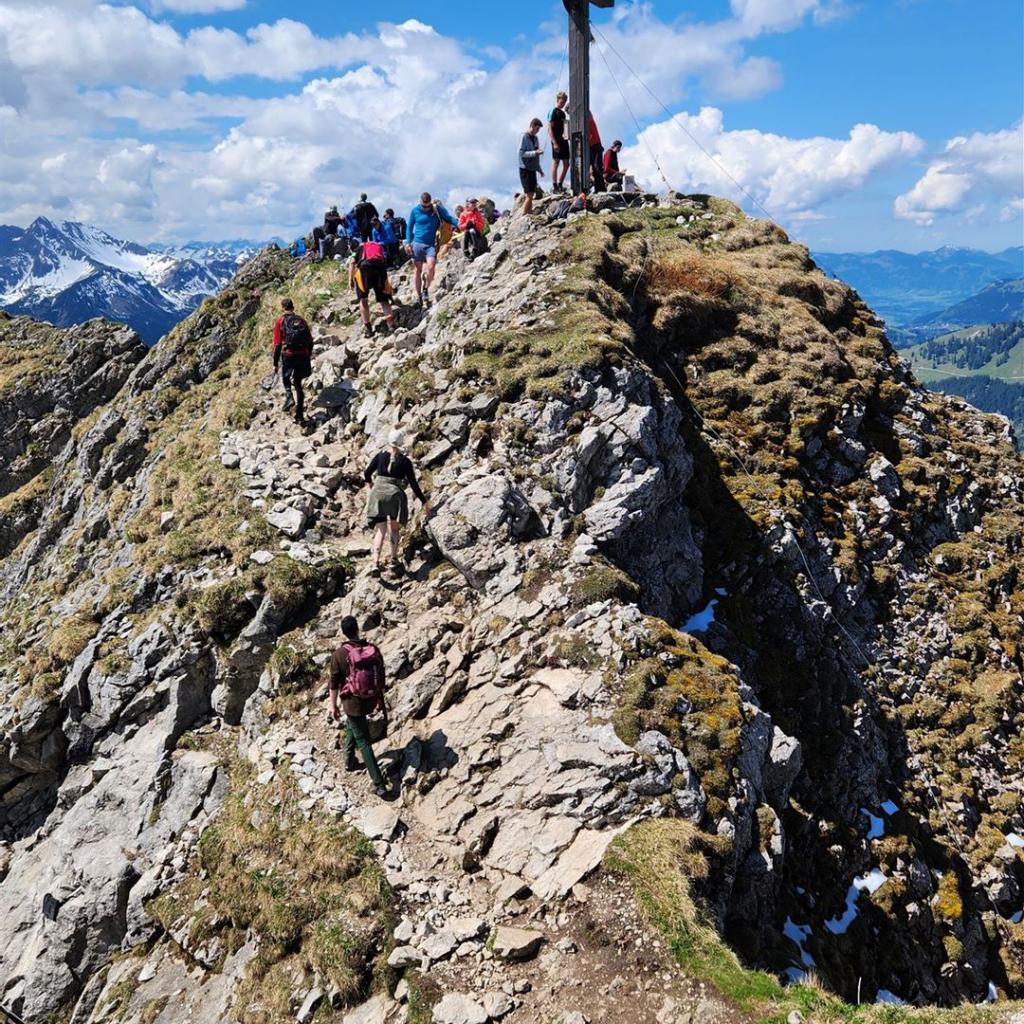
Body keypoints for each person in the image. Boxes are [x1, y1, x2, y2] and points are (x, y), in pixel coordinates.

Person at [329, 615, 388, 799]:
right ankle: (349, 760)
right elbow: (381, 675)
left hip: (352, 703)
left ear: (344, 632)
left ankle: (379, 785)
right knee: (354, 726)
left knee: (363, 740)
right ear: (357, 629)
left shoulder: (339, 654)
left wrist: (333, 706)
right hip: (370, 698)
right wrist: (379, 698)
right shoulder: (372, 649)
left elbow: (334, 683)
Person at [364, 428, 429, 575]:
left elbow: (367, 473)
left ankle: (375, 562)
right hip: (394, 495)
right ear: (401, 443)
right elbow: (413, 483)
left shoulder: (380, 456)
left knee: (380, 529)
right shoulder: (405, 461)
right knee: (394, 529)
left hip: (378, 493)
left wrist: (370, 484)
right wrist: (424, 502)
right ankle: (393, 559)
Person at [405, 192, 458, 308]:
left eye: (428, 206)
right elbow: (409, 227)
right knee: (418, 271)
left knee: (431, 267)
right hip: (417, 244)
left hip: (430, 245)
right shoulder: (415, 211)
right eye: (424, 206)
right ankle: (419, 296)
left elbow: (448, 218)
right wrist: (408, 243)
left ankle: (425, 289)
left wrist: (460, 224)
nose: (426, 208)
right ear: (420, 202)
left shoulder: (436, 210)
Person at [272, 298, 314, 426]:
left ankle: (289, 396)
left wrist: (275, 364)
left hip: (289, 355)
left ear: (282, 308)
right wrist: (308, 354)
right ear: (293, 307)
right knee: (298, 383)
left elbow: (278, 345)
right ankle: (300, 415)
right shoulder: (301, 320)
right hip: (303, 355)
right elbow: (310, 340)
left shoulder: (280, 321)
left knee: (286, 378)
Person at [349, 236, 395, 338]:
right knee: (384, 300)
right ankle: (391, 325)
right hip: (380, 270)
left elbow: (352, 262)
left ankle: (368, 329)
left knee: (363, 300)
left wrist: (350, 280)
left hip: (364, 270)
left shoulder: (357, 249)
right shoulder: (378, 247)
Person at [519, 118, 545, 215]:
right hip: (524, 168)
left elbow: (536, 157)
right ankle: (524, 215)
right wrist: (535, 153)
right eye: (537, 129)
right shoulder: (524, 137)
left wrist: (540, 170)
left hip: (532, 169)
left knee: (532, 193)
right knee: (529, 194)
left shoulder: (536, 139)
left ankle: (529, 213)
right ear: (532, 126)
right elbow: (521, 153)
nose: (537, 131)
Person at [548, 91, 569, 192]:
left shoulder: (563, 113)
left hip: (564, 140)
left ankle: (560, 183)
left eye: (565, 101)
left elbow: (565, 127)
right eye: (562, 101)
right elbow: (549, 128)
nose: (563, 103)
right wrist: (554, 142)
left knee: (566, 163)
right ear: (557, 100)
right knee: (556, 162)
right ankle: (554, 185)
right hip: (556, 140)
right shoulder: (553, 111)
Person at [588, 112, 606, 193]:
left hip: (595, 144)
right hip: (590, 146)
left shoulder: (588, 115)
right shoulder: (587, 117)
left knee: (597, 167)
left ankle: (600, 189)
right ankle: (596, 188)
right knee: (591, 168)